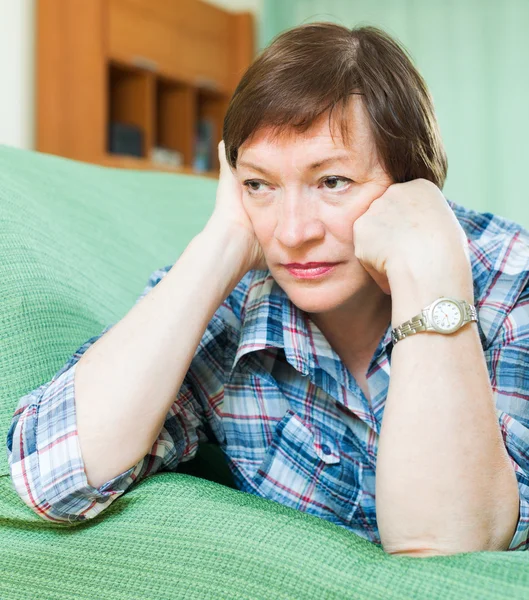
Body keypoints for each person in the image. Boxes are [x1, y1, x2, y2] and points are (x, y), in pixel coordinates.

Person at [6, 23, 529, 557]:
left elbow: (450, 555)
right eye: (260, 184)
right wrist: (224, 241)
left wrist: (430, 275)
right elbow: (52, 476)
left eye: (333, 182)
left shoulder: (514, 282)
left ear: (413, 185)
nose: (293, 233)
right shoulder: (232, 306)